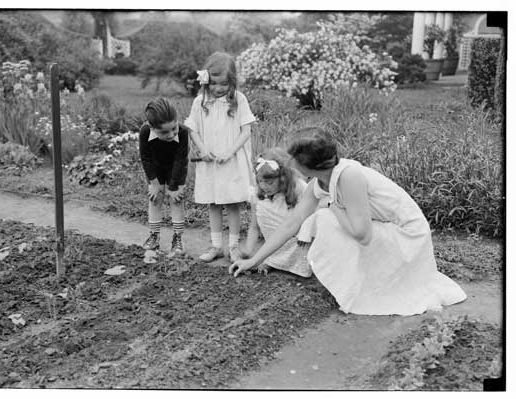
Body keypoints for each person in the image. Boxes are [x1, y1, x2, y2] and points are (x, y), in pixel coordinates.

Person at [230, 135, 467, 316]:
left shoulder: (349, 176)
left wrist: (331, 207)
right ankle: (354, 278)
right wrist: (254, 259)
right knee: (321, 217)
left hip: (407, 235)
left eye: (294, 159)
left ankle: (357, 284)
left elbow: (362, 235)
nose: (290, 163)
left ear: (306, 164)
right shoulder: (320, 182)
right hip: (382, 228)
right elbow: (291, 224)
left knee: (324, 219)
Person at [185, 51, 257, 262]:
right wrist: (203, 149)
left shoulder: (238, 100)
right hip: (210, 163)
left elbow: (246, 131)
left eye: (224, 84)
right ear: (206, 80)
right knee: (214, 203)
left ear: (232, 82)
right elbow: (193, 129)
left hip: (231, 161)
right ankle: (216, 245)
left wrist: (230, 152)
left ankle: (233, 246)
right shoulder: (200, 102)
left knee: (232, 202)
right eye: (214, 83)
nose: (218, 88)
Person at [241, 148, 330, 277]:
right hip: (275, 237)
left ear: (283, 178)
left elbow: (314, 214)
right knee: (262, 207)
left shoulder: (300, 188)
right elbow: (254, 227)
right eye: (260, 182)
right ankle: (271, 259)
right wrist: (248, 251)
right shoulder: (258, 194)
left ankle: (301, 262)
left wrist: (306, 232)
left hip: (299, 236)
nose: (264, 186)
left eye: (269, 182)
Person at [139, 97, 189, 256]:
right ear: (152, 127)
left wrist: (173, 187)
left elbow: (181, 159)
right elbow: (145, 157)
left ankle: (178, 237)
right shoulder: (145, 131)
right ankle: (154, 235)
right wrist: (154, 184)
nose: (171, 134)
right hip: (155, 169)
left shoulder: (182, 132)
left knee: (176, 200)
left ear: (176, 121)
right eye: (164, 132)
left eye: (173, 128)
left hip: (176, 169)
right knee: (155, 199)